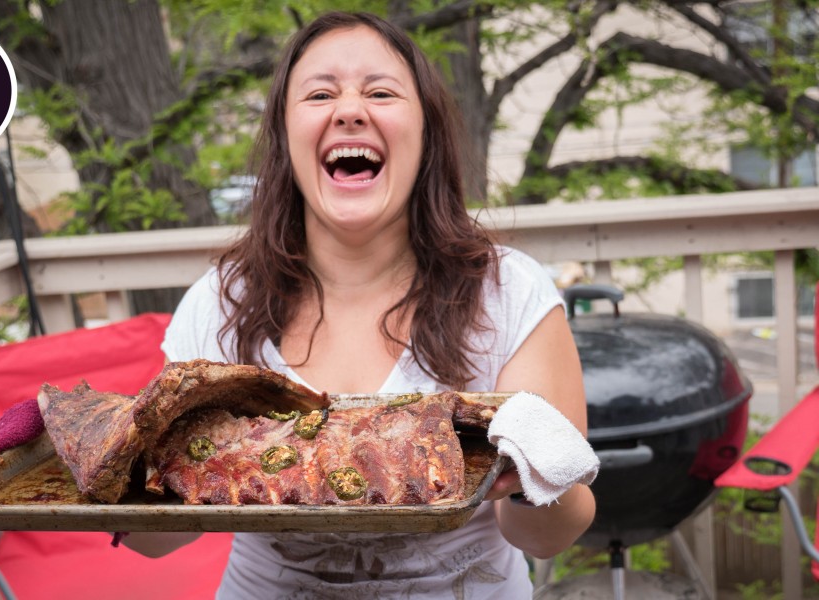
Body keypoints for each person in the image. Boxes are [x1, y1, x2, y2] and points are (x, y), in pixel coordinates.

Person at [123, 11, 595, 598]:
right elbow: (158, 537)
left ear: (425, 134)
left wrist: (532, 482)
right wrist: (110, 465)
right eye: (320, 93)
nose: (349, 109)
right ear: (284, 136)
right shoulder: (220, 303)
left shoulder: (509, 293)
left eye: (380, 91)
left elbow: (551, 535)